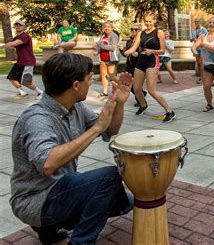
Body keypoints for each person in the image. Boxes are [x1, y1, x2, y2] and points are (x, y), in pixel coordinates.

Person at [10, 53, 133, 245]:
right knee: (109, 178)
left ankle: (49, 231)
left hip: (58, 190)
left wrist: (119, 102)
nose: (92, 83)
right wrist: (97, 128)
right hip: (34, 201)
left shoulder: (75, 107)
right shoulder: (37, 119)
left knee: (127, 201)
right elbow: (48, 164)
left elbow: (110, 129)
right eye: (89, 79)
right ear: (76, 85)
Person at [125, 13, 176, 122]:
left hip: (152, 61)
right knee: (136, 88)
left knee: (151, 90)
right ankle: (143, 105)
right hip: (141, 62)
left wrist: (152, 51)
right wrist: (127, 52)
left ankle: (169, 111)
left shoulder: (159, 32)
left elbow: (162, 50)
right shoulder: (140, 33)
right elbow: (134, 48)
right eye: (146, 21)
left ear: (154, 21)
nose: (148, 23)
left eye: (150, 21)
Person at [0, 20, 43, 99]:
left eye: (20, 25)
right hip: (20, 62)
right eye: (16, 25)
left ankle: (41, 93)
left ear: (24, 27)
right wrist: (7, 46)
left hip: (28, 62)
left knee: (26, 82)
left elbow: (14, 44)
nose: (18, 26)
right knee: (12, 77)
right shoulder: (16, 37)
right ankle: (22, 93)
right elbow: (11, 46)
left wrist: (2, 46)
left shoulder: (25, 36)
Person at [119, 23, 147, 106]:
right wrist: (122, 50)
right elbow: (126, 54)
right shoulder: (129, 40)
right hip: (129, 65)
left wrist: (137, 54)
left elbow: (145, 52)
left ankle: (141, 102)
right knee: (127, 83)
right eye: (132, 29)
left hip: (138, 65)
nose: (133, 31)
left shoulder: (142, 40)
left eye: (136, 29)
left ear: (140, 31)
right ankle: (142, 94)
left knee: (135, 85)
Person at [95, 21, 120, 98]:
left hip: (111, 59)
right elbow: (99, 45)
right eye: (105, 26)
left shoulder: (114, 36)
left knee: (112, 77)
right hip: (103, 58)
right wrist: (97, 51)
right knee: (103, 75)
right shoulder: (103, 35)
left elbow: (112, 48)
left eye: (108, 26)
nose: (106, 28)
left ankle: (116, 92)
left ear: (112, 27)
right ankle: (105, 92)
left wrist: (100, 45)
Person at [191, 18, 207, 84]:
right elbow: (194, 38)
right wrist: (192, 39)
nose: (196, 22)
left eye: (197, 21)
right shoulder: (193, 30)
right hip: (196, 48)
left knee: (202, 62)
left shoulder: (204, 29)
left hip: (202, 48)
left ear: (200, 22)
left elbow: (206, 38)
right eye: (195, 21)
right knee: (198, 63)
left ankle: (203, 77)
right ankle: (201, 77)